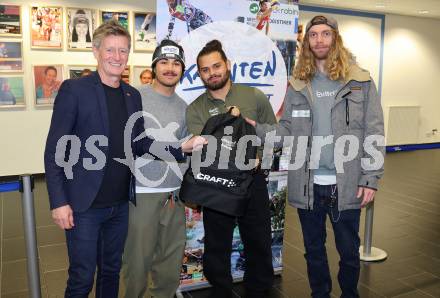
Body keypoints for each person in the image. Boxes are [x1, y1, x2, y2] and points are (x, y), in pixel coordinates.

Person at [44, 20, 206, 298]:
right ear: (96, 51)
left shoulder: (131, 95)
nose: (117, 57)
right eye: (110, 50)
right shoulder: (75, 90)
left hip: (120, 204)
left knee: (110, 273)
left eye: (123, 51)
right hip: (85, 205)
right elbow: (55, 150)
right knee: (82, 277)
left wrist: (182, 149)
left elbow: (141, 143)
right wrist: (59, 202)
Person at [247, 15, 385, 297]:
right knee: (313, 251)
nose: (319, 40)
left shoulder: (360, 81)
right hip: (308, 182)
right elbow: (286, 129)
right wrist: (258, 130)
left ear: (336, 38)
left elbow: (375, 131)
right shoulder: (298, 84)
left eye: (326, 34)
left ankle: (350, 294)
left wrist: (370, 179)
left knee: (348, 251)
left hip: (345, 184)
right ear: (307, 41)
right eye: (313, 35)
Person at [186, 39, 276, 298]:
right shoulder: (195, 109)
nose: (212, 72)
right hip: (217, 184)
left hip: (252, 181)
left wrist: (263, 159)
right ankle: (221, 289)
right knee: (216, 243)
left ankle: (259, 287)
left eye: (216, 65)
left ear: (228, 65)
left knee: (258, 237)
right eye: (205, 69)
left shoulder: (253, 96)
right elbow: (204, 151)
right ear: (200, 74)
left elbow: (274, 132)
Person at [122, 39, 188, 298]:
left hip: (175, 194)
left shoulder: (184, 107)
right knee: (137, 264)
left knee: (170, 265)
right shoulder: (135, 98)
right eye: (164, 62)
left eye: (176, 63)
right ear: (154, 66)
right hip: (142, 193)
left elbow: (187, 151)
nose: (170, 68)